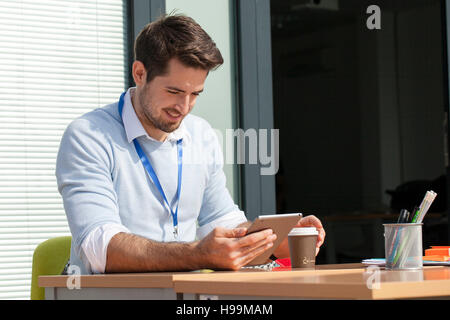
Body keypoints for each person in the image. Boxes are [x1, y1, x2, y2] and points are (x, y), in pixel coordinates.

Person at [56, 14, 325, 274]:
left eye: (195, 94)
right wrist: (197, 254)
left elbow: (223, 221)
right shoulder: (88, 136)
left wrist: (277, 241)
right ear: (139, 73)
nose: (184, 108)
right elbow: (98, 247)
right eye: (173, 91)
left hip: (182, 293)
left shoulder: (201, 134)